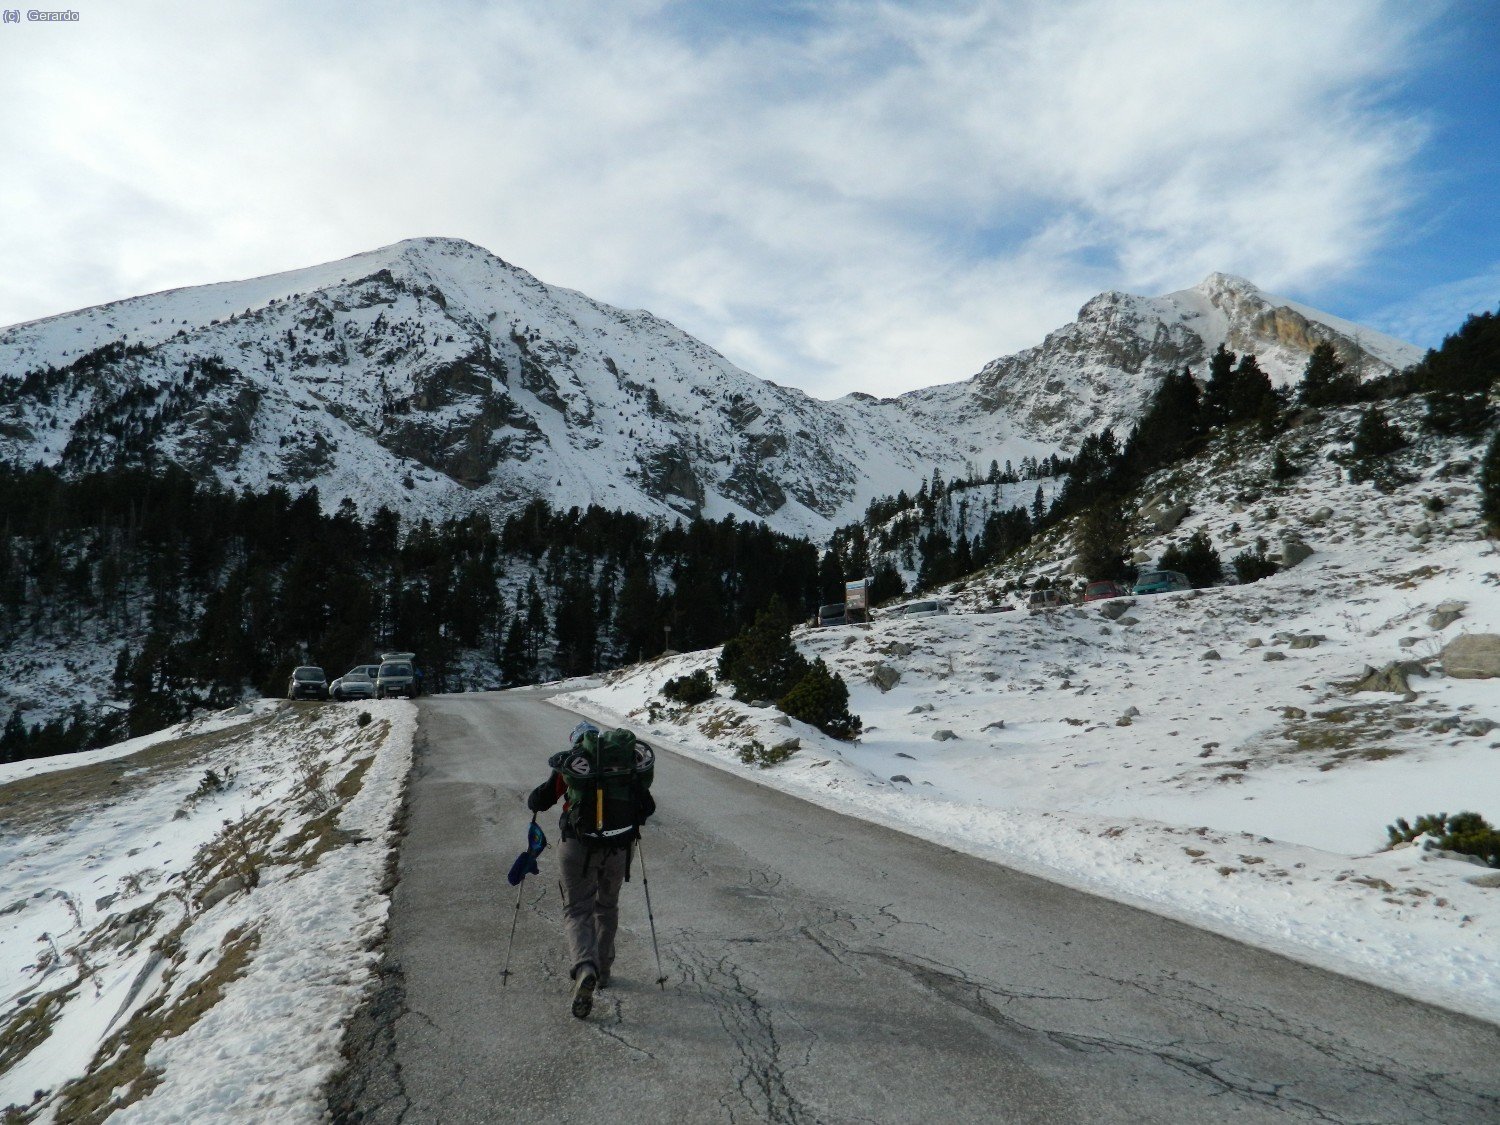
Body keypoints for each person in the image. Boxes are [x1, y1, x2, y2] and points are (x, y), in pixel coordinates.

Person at [527, 720, 655, 1018]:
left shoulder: (572, 767)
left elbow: (540, 800)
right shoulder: (625, 768)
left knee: (577, 910)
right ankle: (605, 971)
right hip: (619, 848)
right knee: (607, 907)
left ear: (576, 743)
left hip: (577, 847)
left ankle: (586, 966)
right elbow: (647, 808)